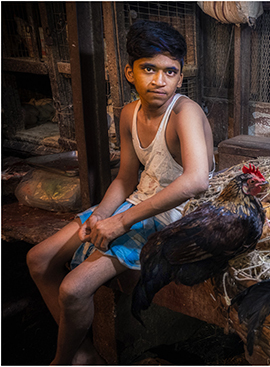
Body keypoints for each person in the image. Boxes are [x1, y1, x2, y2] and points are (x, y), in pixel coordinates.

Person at [26, 20, 214, 365]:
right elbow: (126, 179)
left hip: (175, 218)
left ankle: (61, 361)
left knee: (73, 287)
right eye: (149, 69)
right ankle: (82, 354)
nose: (160, 80)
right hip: (135, 204)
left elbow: (196, 181)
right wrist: (100, 216)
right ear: (130, 72)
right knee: (38, 260)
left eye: (170, 71)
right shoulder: (129, 114)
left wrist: (121, 222)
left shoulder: (185, 112)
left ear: (181, 77)